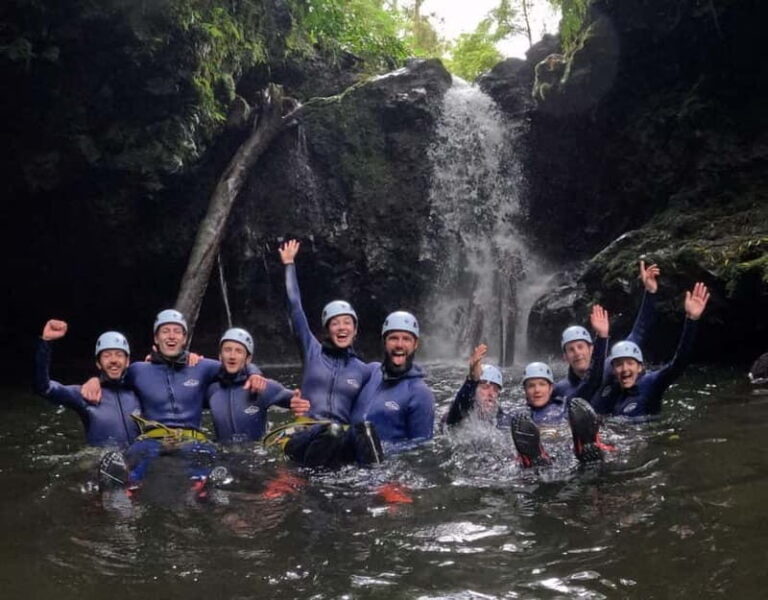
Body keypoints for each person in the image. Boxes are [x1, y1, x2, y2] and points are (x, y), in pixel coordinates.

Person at [83, 309, 262, 491]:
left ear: (184, 339)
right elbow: (113, 373)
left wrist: (254, 373)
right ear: (156, 338)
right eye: (165, 331)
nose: (171, 336)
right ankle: (123, 488)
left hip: (191, 439)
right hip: (151, 439)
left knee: (208, 459)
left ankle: (206, 488)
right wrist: (96, 380)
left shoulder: (202, 367)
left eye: (177, 331)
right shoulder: (138, 370)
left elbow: (235, 364)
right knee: (135, 457)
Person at [272, 240, 375, 467]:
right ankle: (300, 478)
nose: (341, 327)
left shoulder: (364, 371)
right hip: (305, 432)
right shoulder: (312, 351)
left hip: (339, 437)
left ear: (355, 330)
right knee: (333, 432)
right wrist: (289, 264)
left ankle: (382, 482)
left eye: (347, 322)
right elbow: (295, 308)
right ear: (327, 330)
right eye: (335, 323)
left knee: (364, 431)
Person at [593, 282, 710, 418]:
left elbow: (679, 363)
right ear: (613, 370)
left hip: (647, 430)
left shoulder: (651, 383)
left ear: (640, 367)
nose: (625, 369)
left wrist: (692, 320)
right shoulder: (611, 389)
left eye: (630, 363)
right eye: (619, 364)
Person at [554, 261, 659, 404]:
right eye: (571, 350)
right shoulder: (560, 389)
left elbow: (639, 333)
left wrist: (650, 293)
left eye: (580, 347)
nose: (577, 353)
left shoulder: (612, 367)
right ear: (565, 357)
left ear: (591, 349)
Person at [34, 319, 140, 448]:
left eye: (119, 355)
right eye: (106, 355)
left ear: (127, 361)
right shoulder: (85, 394)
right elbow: (44, 388)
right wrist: (46, 342)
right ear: (98, 363)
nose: (113, 360)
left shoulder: (140, 390)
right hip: (102, 459)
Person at [350, 311, 436, 454]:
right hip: (346, 459)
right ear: (384, 342)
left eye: (406, 339)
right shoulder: (371, 372)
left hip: (381, 465)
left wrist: (382, 450)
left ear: (415, 344)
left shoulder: (420, 394)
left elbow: (422, 450)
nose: (399, 344)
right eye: (393, 338)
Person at [207, 327, 299, 444]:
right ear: (220, 356)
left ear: (248, 359)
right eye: (227, 350)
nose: (232, 356)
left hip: (256, 452)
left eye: (239, 351)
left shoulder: (263, 387)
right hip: (221, 452)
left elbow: (301, 401)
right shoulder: (210, 390)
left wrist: (300, 402)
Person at [510, 362, 608, 468]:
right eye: (531, 386)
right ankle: (536, 458)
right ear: (525, 390)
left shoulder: (567, 407)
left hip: (567, 445)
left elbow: (592, 382)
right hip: (544, 449)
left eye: (542, 384)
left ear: (551, 388)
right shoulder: (519, 417)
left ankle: (586, 447)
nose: (537, 390)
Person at [444, 344, 509, 429]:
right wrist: (472, 380)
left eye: (495, 389)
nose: (491, 394)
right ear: (474, 391)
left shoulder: (502, 420)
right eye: (485, 387)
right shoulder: (457, 415)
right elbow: (462, 402)